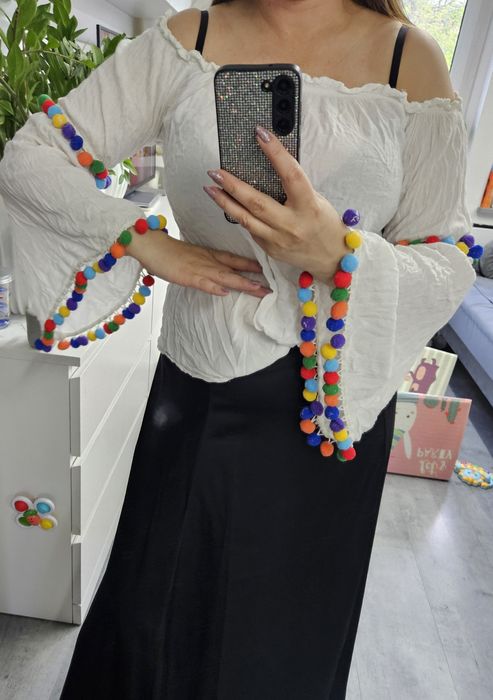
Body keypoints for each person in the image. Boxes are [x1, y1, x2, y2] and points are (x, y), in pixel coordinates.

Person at [0, 0, 477, 697]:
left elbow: (448, 257)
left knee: (284, 654)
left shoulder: (410, 58)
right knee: (154, 634)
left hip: (331, 419)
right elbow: (31, 156)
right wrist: (144, 240)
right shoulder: (187, 39)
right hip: (198, 399)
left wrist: (340, 254)